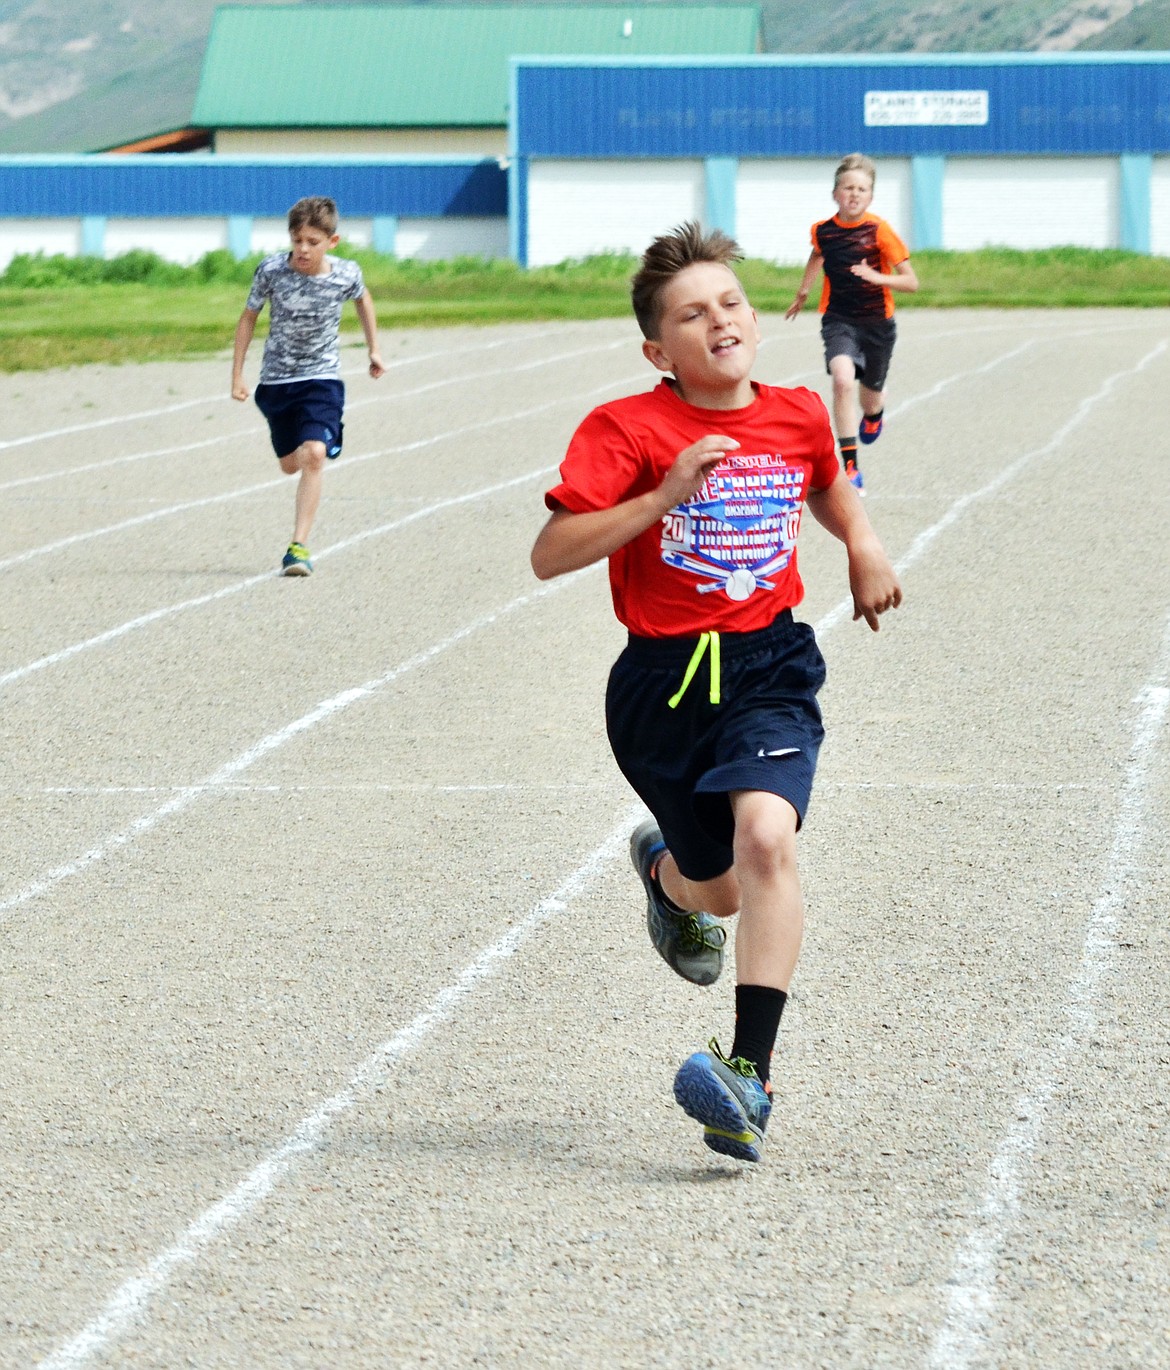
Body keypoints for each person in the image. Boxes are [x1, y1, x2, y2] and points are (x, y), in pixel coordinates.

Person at [531, 221, 902, 1163]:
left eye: (730, 302)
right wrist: (660, 497)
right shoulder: (626, 430)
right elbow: (550, 555)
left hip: (769, 666)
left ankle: (749, 1078)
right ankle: (665, 873)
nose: (720, 320)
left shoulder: (793, 414)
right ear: (660, 349)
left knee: (768, 841)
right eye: (692, 315)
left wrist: (860, 545)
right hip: (661, 686)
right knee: (721, 892)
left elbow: (826, 483)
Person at [231, 195, 384, 576]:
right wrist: (237, 374)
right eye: (297, 240)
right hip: (277, 382)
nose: (302, 249)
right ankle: (302, 448)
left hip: (322, 377)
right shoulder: (270, 271)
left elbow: (363, 300)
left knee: (314, 453)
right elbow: (248, 317)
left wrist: (374, 349)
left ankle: (297, 548)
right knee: (289, 464)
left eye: (312, 242)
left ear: (332, 242)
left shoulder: (346, 274)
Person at [785, 153, 918, 495]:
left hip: (877, 323)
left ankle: (875, 413)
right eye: (848, 188)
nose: (855, 194)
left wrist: (876, 276)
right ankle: (850, 464)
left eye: (862, 189)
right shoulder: (823, 231)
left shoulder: (879, 230)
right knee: (842, 380)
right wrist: (803, 292)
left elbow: (911, 282)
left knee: (869, 396)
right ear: (835, 193)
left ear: (870, 196)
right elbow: (817, 255)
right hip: (839, 320)